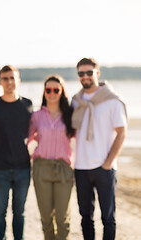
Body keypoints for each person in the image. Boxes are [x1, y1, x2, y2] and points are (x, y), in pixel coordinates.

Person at [72, 58, 127, 240]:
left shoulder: (112, 100)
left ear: (97, 73)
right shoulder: (76, 101)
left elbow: (121, 133)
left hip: (104, 167)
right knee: (86, 217)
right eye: (81, 73)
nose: (85, 76)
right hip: (81, 167)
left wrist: (108, 163)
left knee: (108, 217)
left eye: (89, 72)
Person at [0, 65, 33, 240]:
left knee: (20, 212)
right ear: (0, 81)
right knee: (0, 211)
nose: (9, 82)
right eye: (5, 78)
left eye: (12, 78)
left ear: (18, 80)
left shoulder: (27, 104)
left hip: (23, 167)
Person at [28, 75, 75, 240]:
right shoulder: (36, 116)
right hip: (42, 168)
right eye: (48, 90)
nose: (52, 93)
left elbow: (84, 136)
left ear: (62, 92)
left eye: (56, 90)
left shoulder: (70, 115)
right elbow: (26, 140)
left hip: (63, 169)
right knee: (46, 218)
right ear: (44, 92)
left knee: (62, 218)